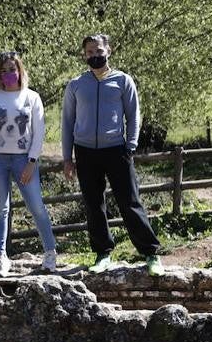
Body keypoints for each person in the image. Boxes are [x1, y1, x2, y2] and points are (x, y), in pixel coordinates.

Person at [62, 34, 164, 276]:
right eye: (89, 52)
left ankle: (151, 253)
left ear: (108, 51)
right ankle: (102, 253)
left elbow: (133, 115)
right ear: (84, 55)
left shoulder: (123, 80)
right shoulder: (76, 85)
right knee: (94, 204)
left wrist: (130, 145)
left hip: (117, 149)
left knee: (130, 202)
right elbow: (67, 122)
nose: (94, 56)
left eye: (98, 51)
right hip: (85, 152)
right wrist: (68, 157)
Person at [0, 51, 59, 276]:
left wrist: (32, 161)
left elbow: (39, 131)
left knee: (36, 206)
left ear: (20, 70)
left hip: (24, 159)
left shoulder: (31, 97)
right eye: (3, 71)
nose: (8, 74)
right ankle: (1, 257)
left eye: (12, 69)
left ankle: (50, 252)